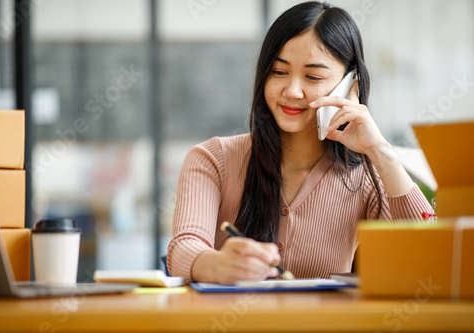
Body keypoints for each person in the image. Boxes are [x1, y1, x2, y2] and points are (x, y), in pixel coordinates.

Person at [167, 1, 433, 284]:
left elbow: (428, 256)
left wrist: (379, 152)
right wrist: (217, 265)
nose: (292, 91)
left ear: (349, 86)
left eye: (313, 76)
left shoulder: (368, 175)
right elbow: (183, 247)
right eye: (279, 72)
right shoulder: (212, 159)